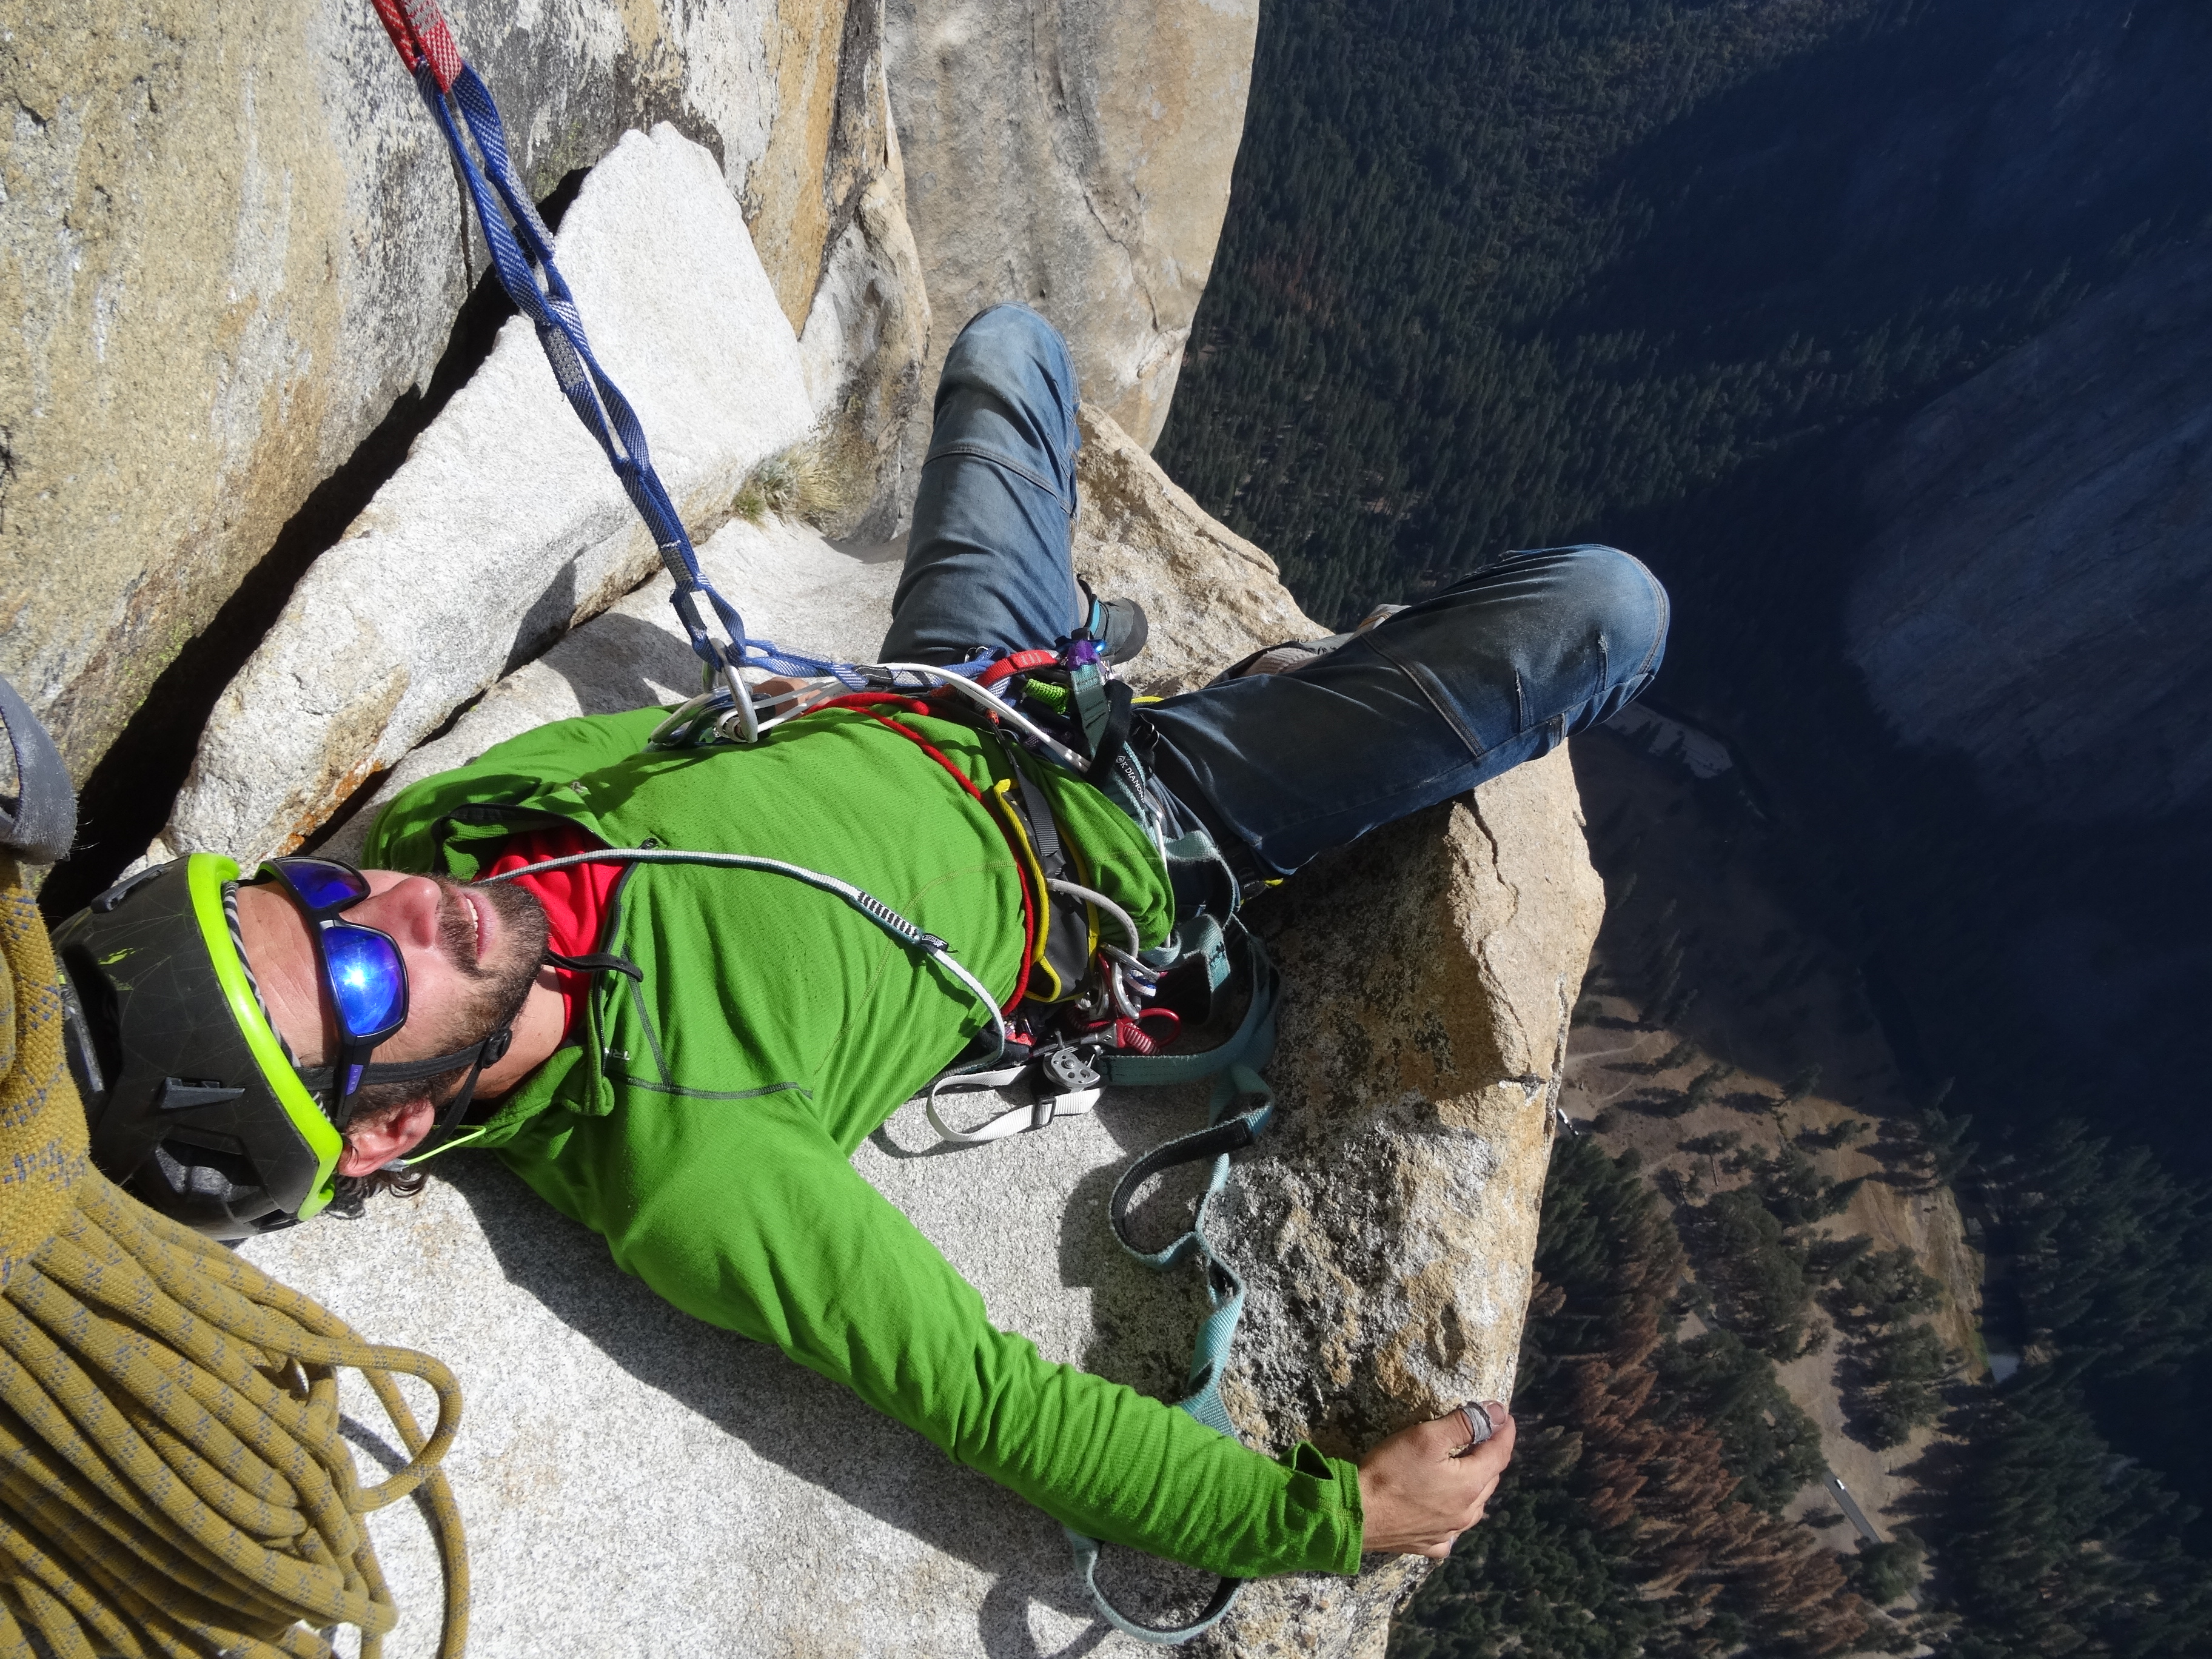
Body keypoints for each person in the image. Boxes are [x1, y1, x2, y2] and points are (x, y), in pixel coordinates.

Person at [56, 304, 1667, 1584]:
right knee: (1609, 609)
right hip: (1148, 828)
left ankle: (1212, 661)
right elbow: (986, 1398)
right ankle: (1302, 703)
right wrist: (1325, 1520)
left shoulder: (453, 832)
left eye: (312, 892)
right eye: (355, 975)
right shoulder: (693, 1173)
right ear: (390, 1127)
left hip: (966, 681)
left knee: (1014, 343)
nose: (388, 904)